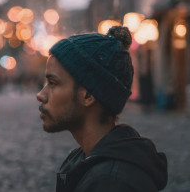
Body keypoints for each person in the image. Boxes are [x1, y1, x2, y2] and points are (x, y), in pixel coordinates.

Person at [36, 26, 167, 192]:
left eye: (53, 83)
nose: (40, 95)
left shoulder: (110, 183)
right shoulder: (86, 159)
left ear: (88, 95)